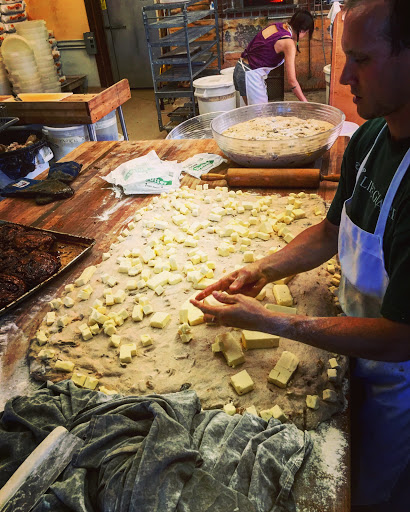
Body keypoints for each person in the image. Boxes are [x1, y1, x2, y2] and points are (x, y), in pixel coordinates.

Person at [192, 0, 410, 509]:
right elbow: (331, 231)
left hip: (396, 376)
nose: (346, 77)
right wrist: (262, 269)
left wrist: (275, 322)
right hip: (349, 330)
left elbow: (401, 337)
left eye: (362, 59)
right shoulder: (371, 138)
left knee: (363, 489)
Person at [233, 9, 314, 105]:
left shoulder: (276, 26)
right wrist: (305, 103)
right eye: (306, 33)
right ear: (302, 30)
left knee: (253, 112)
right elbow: (292, 81)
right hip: (250, 75)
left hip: (240, 68)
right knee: (261, 113)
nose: (304, 36)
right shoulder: (289, 43)